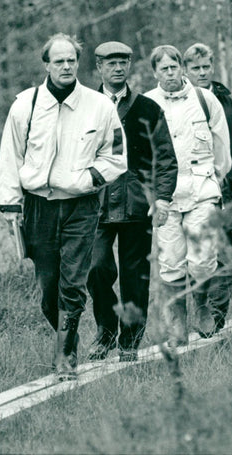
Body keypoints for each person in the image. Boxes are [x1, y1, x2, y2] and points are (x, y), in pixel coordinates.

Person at [0, 33, 127, 380]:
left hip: (81, 207)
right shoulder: (25, 104)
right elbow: (10, 155)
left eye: (72, 60)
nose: (67, 66)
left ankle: (65, 358)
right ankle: (68, 335)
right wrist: (10, 203)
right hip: (39, 206)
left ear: (78, 62)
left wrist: (87, 181)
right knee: (48, 286)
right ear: (46, 65)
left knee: (72, 283)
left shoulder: (99, 106)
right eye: (59, 61)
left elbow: (115, 157)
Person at [85, 42, 178, 362]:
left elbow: (166, 158)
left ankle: (130, 339)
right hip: (94, 202)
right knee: (95, 268)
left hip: (138, 204)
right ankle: (106, 328)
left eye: (123, 62)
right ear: (98, 67)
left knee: (134, 275)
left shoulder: (148, 109)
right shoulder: (84, 107)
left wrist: (162, 198)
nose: (118, 68)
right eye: (111, 63)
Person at [144, 45, 231, 345]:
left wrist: (214, 180)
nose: (170, 74)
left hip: (202, 188)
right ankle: (177, 323)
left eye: (174, 67)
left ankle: (202, 304)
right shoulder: (147, 103)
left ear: (182, 68)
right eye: (163, 69)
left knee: (203, 257)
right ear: (154, 72)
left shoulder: (205, 100)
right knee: (170, 261)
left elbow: (222, 147)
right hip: (164, 196)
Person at [183, 42, 232, 332]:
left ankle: (215, 317)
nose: (202, 72)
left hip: (225, 189)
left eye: (206, 66)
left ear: (213, 67)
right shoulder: (175, 101)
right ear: (185, 70)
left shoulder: (230, 101)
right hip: (188, 192)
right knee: (196, 255)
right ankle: (198, 307)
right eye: (196, 68)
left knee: (225, 255)